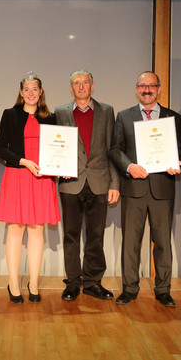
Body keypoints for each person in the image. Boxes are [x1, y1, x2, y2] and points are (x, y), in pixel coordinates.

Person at [109, 71, 181, 306]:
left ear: (159, 89)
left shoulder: (173, 117)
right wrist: (129, 166)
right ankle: (129, 288)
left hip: (162, 187)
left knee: (162, 242)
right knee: (131, 242)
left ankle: (163, 289)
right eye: (142, 86)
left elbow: (179, 149)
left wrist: (177, 162)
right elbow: (115, 149)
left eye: (151, 85)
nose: (147, 90)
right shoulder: (124, 116)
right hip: (134, 188)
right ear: (136, 89)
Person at [54, 70, 119, 301]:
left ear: (92, 86)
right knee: (70, 235)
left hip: (100, 182)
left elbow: (112, 149)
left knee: (96, 235)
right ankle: (72, 283)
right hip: (70, 183)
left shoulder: (107, 111)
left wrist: (114, 182)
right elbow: (55, 147)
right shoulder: (61, 112)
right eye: (76, 83)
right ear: (71, 88)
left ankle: (93, 282)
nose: (81, 87)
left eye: (85, 83)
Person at [0, 72, 59, 304]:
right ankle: (13, 283)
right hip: (18, 175)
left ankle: (33, 283)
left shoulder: (51, 118)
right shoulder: (10, 115)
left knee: (37, 230)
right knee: (15, 229)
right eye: (27, 89)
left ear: (40, 92)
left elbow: (58, 149)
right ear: (21, 92)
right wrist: (24, 161)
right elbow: (1, 148)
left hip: (42, 179)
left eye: (35, 89)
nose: (31, 93)